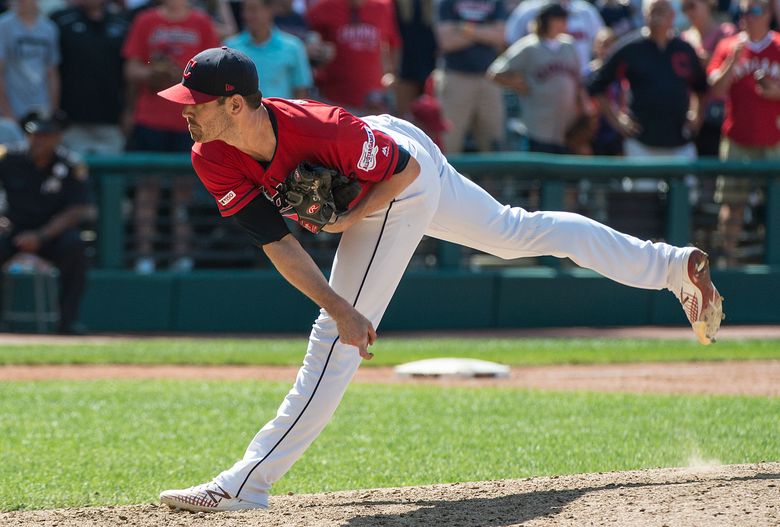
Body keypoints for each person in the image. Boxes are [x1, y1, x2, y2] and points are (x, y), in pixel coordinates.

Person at [154, 46, 723, 512]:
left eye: (194, 103)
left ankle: (244, 485)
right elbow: (278, 243)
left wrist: (349, 243)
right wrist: (340, 303)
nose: (184, 112)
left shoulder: (319, 128)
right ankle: (673, 266)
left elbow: (407, 171)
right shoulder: (213, 153)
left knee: (332, 341)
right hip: (383, 147)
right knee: (515, 232)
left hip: (397, 176)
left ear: (235, 105)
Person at [122, 0, 220, 273]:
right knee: (147, 190)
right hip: (149, 117)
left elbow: (212, 70)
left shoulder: (201, 22)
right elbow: (131, 69)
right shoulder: (146, 20)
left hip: (189, 119)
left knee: (183, 192)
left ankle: (181, 255)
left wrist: (182, 75)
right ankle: (145, 256)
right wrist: (155, 72)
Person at [0, 111, 93, 335]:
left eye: (47, 135)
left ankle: (68, 321)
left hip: (51, 234)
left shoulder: (70, 165)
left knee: (75, 247)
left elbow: (78, 209)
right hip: (13, 229)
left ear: (58, 137)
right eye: (36, 135)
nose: (40, 140)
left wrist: (41, 235)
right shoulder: (8, 159)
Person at [708, 0, 780, 265]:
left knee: (776, 206)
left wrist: (776, 93)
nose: (748, 16)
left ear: (769, 13)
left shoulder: (778, 45)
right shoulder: (729, 46)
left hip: (774, 139)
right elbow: (715, 90)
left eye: (756, 10)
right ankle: (728, 260)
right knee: (732, 204)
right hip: (737, 138)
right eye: (744, 11)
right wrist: (732, 61)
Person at [588, 0, 707, 159]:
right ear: (645, 16)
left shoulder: (684, 49)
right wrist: (617, 120)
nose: (658, 17)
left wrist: (697, 116)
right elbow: (597, 83)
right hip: (641, 143)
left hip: (680, 142)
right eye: (654, 11)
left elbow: (701, 87)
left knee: (687, 184)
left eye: (662, 11)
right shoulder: (630, 48)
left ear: (673, 16)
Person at [488, 2, 586, 154]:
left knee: (565, 173)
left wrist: (583, 105)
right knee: (540, 173)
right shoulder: (529, 46)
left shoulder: (569, 45)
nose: (565, 23)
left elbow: (578, 81)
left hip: (567, 127)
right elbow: (495, 73)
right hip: (538, 125)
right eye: (561, 19)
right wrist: (520, 85)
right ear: (548, 21)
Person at [51, 0, 130, 155]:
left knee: (111, 177)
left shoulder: (122, 22)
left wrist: (128, 111)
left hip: (111, 120)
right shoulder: (59, 20)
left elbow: (128, 73)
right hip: (71, 121)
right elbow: (50, 70)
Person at [435, 0, 508, 153]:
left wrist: (463, 29)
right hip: (456, 78)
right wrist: (485, 32)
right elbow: (447, 41)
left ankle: (492, 179)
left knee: (494, 143)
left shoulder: (496, 2)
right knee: (449, 144)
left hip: (489, 78)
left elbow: (500, 36)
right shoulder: (447, 3)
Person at [306, 0, 401, 115]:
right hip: (334, 102)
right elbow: (307, 39)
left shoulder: (382, 6)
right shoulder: (325, 7)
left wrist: (392, 73)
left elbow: (394, 43)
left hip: (373, 102)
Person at [224, 0, 313, 99]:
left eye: (253, 10)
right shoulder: (230, 48)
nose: (247, 15)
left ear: (269, 10)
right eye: (244, 10)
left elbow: (301, 91)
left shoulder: (293, 47)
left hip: (281, 113)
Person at [681, 0, 736, 157]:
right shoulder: (684, 38)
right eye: (684, 8)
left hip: (720, 114)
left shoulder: (727, 33)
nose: (688, 12)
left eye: (692, 5)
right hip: (692, 114)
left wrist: (707, 60)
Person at [505, 0, 604, 77]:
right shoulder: (528, 10)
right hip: (540, 80)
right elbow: (509, 41)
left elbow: (602, 40)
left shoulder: (585, 10)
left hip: (581, 78)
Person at [0, 0, 60, 120]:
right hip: (14, 107)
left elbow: (52, 72)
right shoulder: (4, 26)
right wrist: (7, 112)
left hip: (41, 107)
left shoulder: (49, 28)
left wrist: (53, 108)